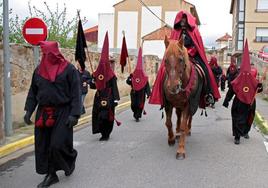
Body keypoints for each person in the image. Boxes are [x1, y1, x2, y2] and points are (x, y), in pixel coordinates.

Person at [24, 41, 81, 187]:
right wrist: (29, 111)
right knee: (44, 145)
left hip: (63, 111)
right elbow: (33, 92)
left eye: (48, 54)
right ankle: (51, 174)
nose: (46, 57)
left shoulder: (69, 69)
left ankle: (70, 157)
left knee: (57, 144)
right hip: (43, 112)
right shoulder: (38, 71)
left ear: (55, 53)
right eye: (44, 54)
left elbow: (76, 92)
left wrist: (75, 114)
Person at [149, 10, 220, 108]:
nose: (182, 24)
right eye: (181, 21)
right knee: (163, 70)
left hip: (193, 55)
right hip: (178, 57)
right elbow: (172, 46)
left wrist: (189, 52)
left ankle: (208, 94)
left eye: (184, 21)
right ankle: (162, 95)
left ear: (188, 21)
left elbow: (197, 46)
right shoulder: (175, 32)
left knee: (205, 70)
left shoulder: (194, 31)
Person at [223, 40, 263, 145]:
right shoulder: (237, 78)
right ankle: (237, 136)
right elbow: (232, 89)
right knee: (237, 118)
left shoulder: (253, 79)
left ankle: (245, 131)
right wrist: (226, 100)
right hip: (238, 102)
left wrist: (260, 86)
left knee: (249, 117)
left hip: (250, 102)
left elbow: (258, 89)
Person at [89, 32, 120, 141]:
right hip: (98, 98)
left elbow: (114, 87)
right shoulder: (97, 73)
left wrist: (116, 99)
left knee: (108, 117)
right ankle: (101, 132)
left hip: (109, 98)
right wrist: (92, 80)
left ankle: (106, 133)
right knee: (99, 116)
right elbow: (93, 86)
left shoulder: (111, 75)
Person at [126, 48, 151, 122]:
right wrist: (130, 79)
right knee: (133, 105)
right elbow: (128, 82)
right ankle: (135, 112)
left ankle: (138, 115)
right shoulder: (133, 75)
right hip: (134, 93)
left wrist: (148, 93)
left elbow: (147, 86)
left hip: (141, 93)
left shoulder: (144, 77)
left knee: (140, 105)